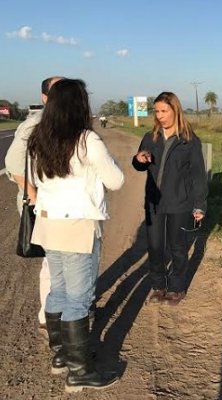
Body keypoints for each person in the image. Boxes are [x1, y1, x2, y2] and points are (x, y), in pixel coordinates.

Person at [28, 78, 124, 392]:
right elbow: (116, 181)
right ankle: (80, 369)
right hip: (77, 226)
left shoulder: (38, 138)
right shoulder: (86, 141)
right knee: (79, 299)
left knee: (58, 289)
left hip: (48, 224)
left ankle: (60, 356)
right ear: (79, 105)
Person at [132, 91, 208, 306]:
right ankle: (158, 286)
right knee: (155, 246)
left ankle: (176, 287)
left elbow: (198, 176)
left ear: (176, 110)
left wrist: (199, 205)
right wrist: (139, 159)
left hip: (180, 203)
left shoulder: (189, 141)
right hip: (154, 203)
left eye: (164, 111)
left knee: (177, 247)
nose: (159, 115)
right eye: (156, 111)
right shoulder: (150, 137)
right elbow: (138, 165)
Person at [4, 76, 63, 338]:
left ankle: (61, 309)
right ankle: (49, 315)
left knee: (62, 259)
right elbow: (13, 162)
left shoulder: (65, 123)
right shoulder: (34, 124)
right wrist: (33, 195)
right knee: (54, 261)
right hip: (43, 204)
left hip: (63, 204)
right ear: (45, 98)